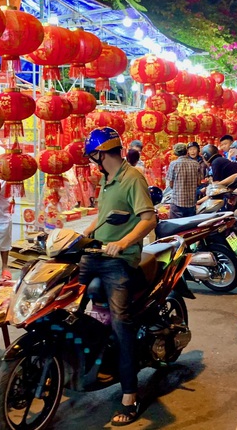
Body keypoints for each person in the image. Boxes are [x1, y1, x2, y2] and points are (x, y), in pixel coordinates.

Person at [80, 127, 156, 425]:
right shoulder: (107, 179)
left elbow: (149, 219)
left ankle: (129, 394)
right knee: (60, 296)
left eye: (93, 156)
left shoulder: (132, 177)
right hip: (96, 254)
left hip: (119, 261)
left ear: (101, 153)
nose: (93, 161)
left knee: (122, 323)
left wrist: (123, 243)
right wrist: (86, 233)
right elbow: (106, 217)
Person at [166, 143, 203, 218]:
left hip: (177, 202)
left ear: (175, 153)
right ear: (187, 151)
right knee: (190, 226)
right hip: (191, 202)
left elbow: (171, 185)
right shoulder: (196, 164)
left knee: (175, 225)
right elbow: (199, 183)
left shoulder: (173, 164)